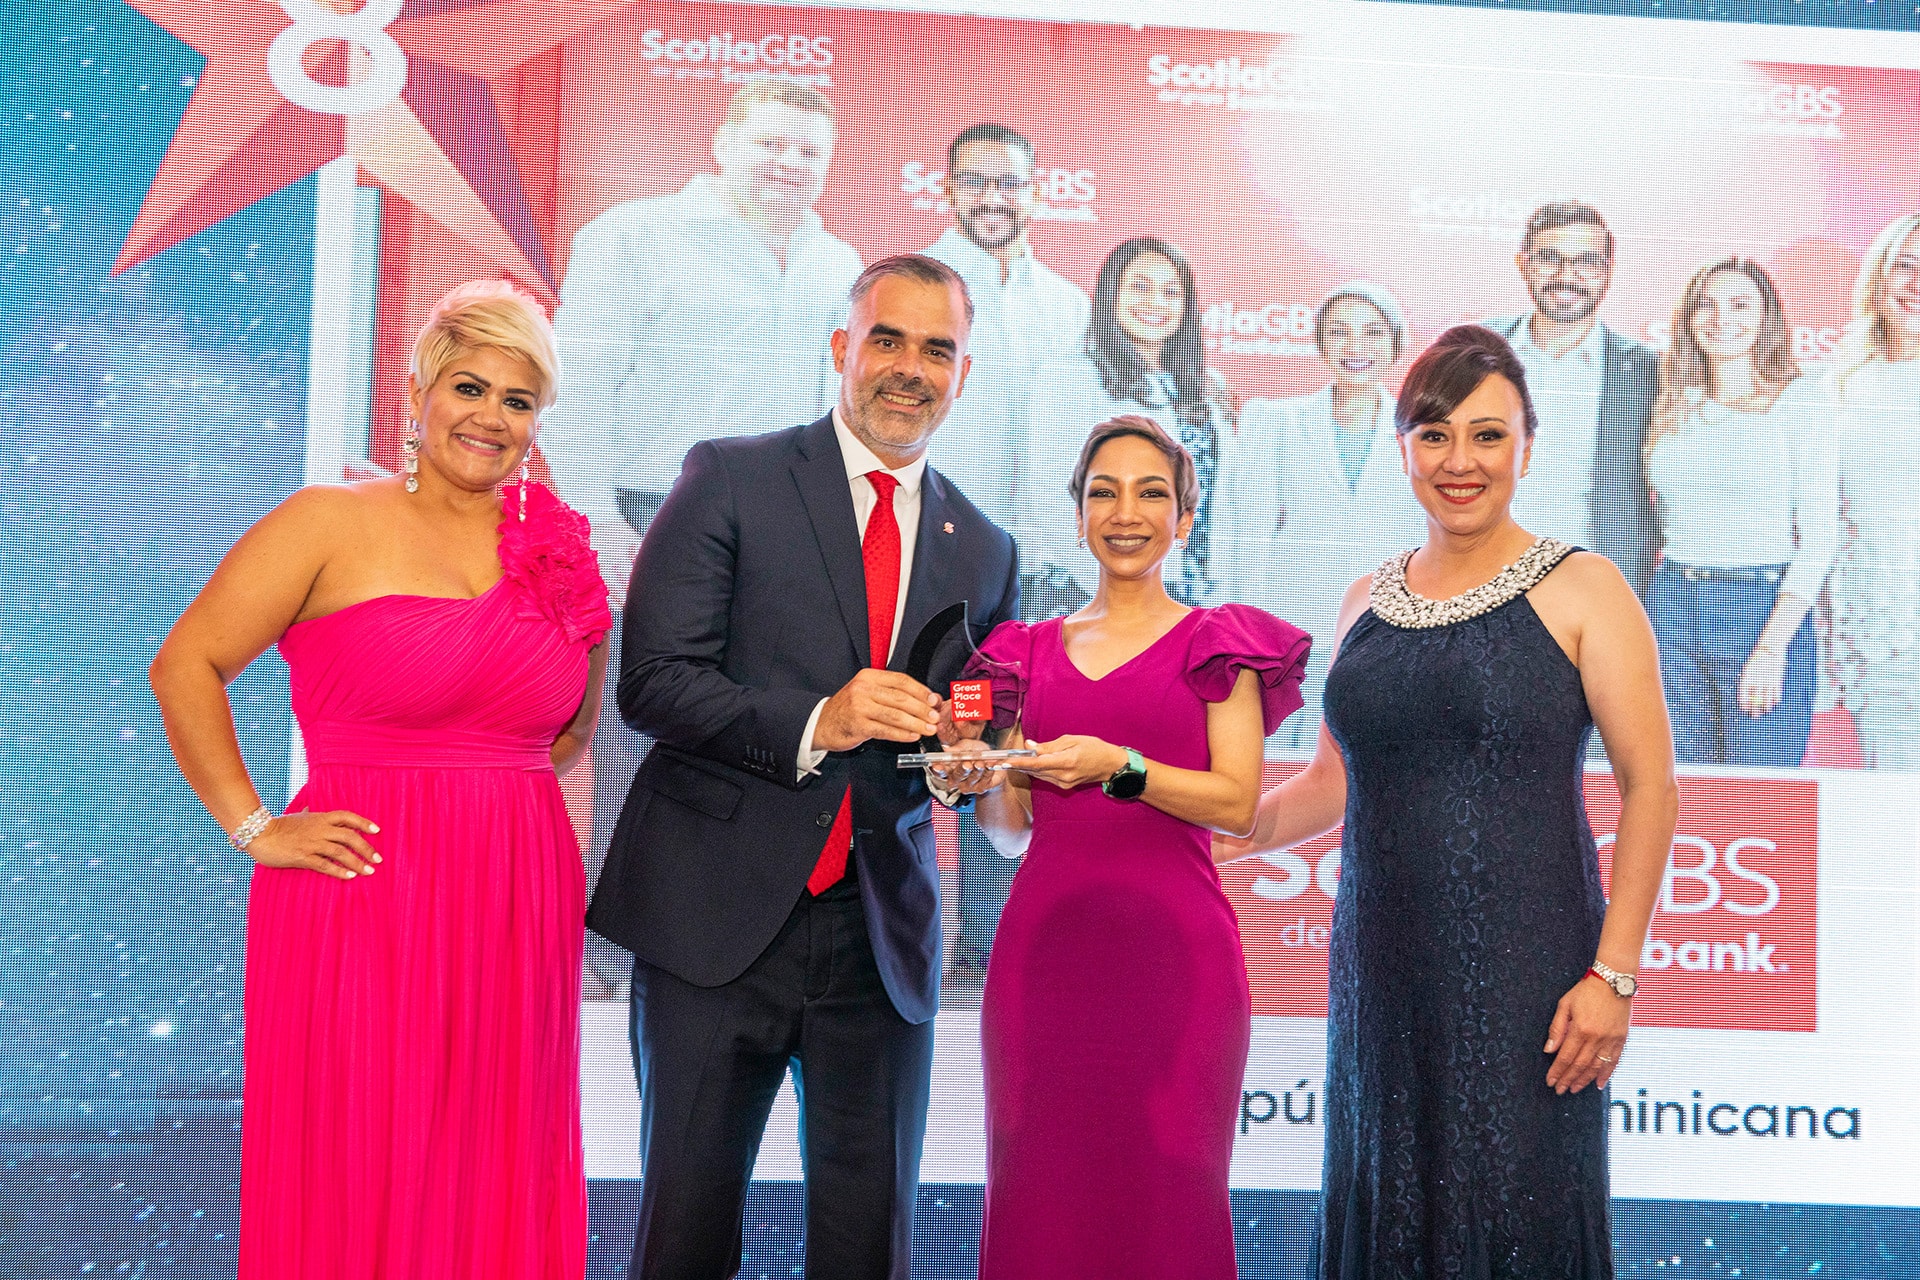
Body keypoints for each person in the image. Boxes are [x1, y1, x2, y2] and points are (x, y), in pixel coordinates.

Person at [149, 281, 610, 1278]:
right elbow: (186, 664)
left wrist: (488, 793)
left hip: (516, 898)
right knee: (361, 1152)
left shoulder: (561, 550)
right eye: (469, 387)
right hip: (360, 888)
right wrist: (253, 825)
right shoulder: (325, 519)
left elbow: (569, 727)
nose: (490, 417)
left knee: (494, 1158)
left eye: (518, 400)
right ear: (417, 392)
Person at [586, 255, 1019, 1280]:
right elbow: (651, 681)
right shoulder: (730, 476)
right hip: (713, 924)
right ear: (841, 348)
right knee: (684, 1242)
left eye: (937, 349)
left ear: (963, 374)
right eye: (887, 339)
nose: (909, 368)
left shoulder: (985, 547)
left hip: (880, 944)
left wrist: (964, 766)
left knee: (869, 1250)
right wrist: (824, 717)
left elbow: (971, 725)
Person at [1217, 325, 1677, 1278]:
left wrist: (1614, 977)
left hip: (1531, 988)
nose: (1459, 461)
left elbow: (1651, 788)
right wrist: (1221, 824)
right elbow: (1330, 785)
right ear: (1403, 449)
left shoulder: (1585, 587)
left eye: (1487, 435)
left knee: (1513, 1216)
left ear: (1526, 448)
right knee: (1386, 1208)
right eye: (1434, 435)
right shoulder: (1363, 599)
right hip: (1379, 986)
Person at [950, 415, 1309, 1277]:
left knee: (1170, 1203)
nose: (1126, 513)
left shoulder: (1219, 645)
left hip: (1176, 965)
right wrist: (984, 774)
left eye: (1151, 494)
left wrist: (1122, 767)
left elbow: (1235, 804)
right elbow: (1009, 831)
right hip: (1045, 963)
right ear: (1077, 515)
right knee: (1039, 1200)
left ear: (1184, 518)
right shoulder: (1018, 655)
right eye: (1104, 493)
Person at [540, 78, 862, 994]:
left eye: (808, 151)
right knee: (641, 736)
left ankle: (732, 941)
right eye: (771, 143)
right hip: (651, 516)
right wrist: (598, 519)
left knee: (759, 736)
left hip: (786, 534)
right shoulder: (634, 235)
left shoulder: (838, 263)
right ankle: (615, 949)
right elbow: (577, 385)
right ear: (722, 142)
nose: (788, 163)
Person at [920, 122, 1091, 978]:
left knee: (1014, 736)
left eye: (1010, 182)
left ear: (1036, 190)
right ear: (948, 190)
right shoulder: (917, 293)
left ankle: (997, 944)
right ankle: (929, 940)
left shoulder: (1069, 305)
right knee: (938, 730)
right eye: (976, 182)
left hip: (1043, 575)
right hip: (940, 563)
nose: (994, 198)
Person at [1645, 257, 1837, 768]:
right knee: (1676, 781)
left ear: (1766, 316)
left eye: (1739, 305)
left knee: (1758, 790)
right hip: (1671, 603)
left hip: (1760, 604)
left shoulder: (1801, 401)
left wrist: (1772, 649)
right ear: (1688, 317)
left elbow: (1821, 540)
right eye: (1706, 305)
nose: (1721, 318)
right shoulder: (1668, 400)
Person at [1235, 282, 1426, 749]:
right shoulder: (1273, 421)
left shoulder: (1426, 434)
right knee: (1278, 765)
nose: (1355, 346)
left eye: (1372, 332)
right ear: (1319, 342)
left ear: (1396, 344)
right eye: (1339, 331)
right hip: (1291, 633)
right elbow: (1246, 539)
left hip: (1386, 636)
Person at [1022, 236, 1248, 610]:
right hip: (1098, 589)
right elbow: (1048, 497)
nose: (1156, 302)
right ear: (1111, 295)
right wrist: (1112, 585)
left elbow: (1227, 504)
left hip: (1192, 594)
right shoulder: (1067, 377)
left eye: (1171, 292)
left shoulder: (1206, 388)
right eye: (1140, 287)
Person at [1490, 201, 1660, 596]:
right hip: (1483, 574)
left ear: (1608, 272)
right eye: (1550, 258)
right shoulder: (1471, 352)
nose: (1567, 276)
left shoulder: (1648, 371)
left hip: (1598, 587)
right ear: (1522, 263)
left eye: (1587, 261)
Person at [1829, 212, 1920, 770]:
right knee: (1898, 788)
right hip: (1872, 632)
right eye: (1904, 265)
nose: (1914, 283)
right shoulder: (1839, 382)